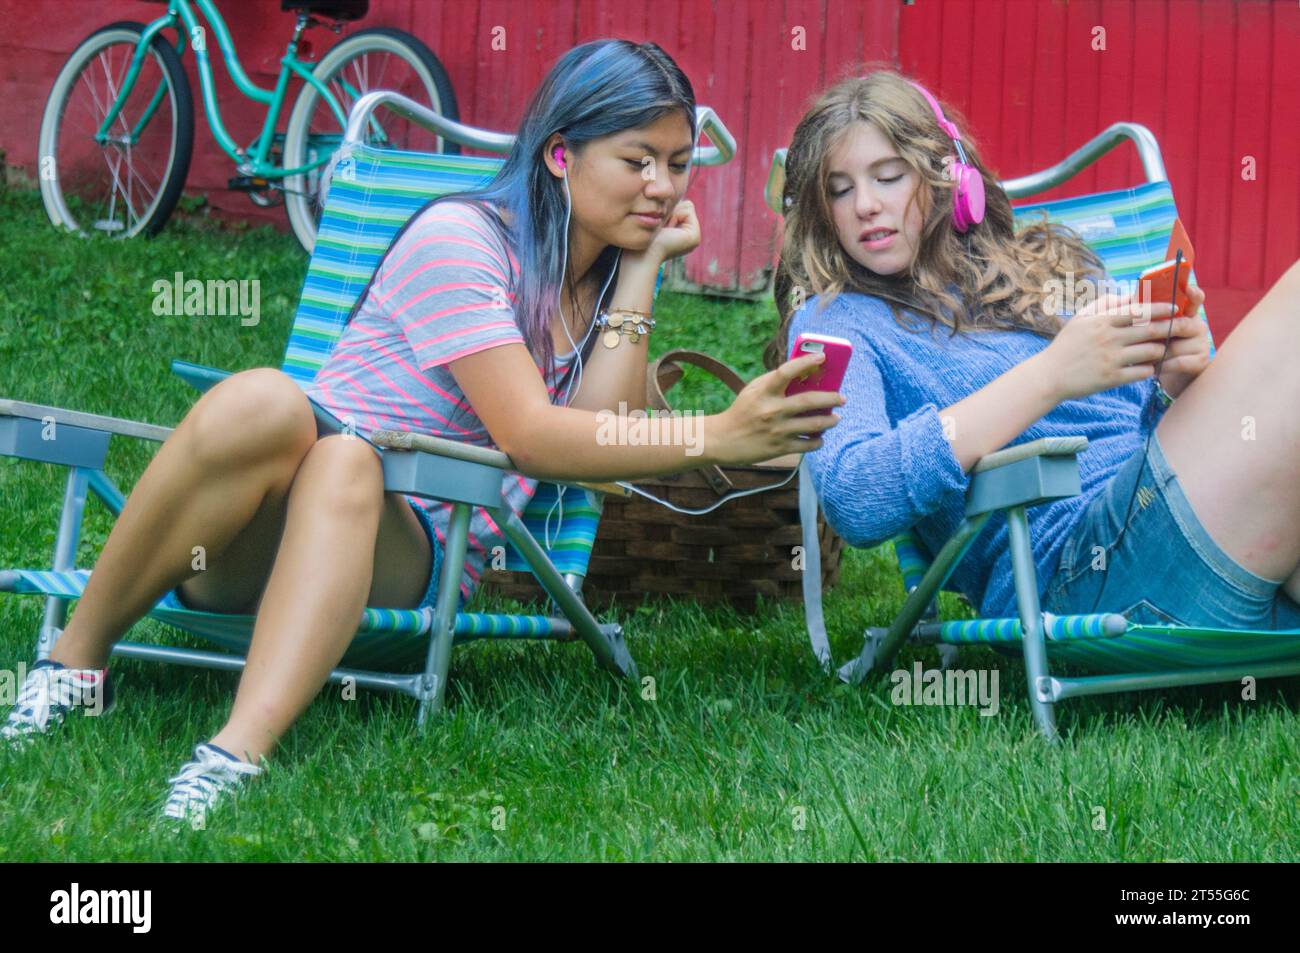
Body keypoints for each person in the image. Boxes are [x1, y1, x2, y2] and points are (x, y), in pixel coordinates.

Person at [1, 39, 843, 827]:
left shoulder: (597, 281)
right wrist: (720, 433)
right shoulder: (463, 240)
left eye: (676, 163)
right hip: (243, 559)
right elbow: (531, 435)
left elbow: (591, 443)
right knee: (268, 402)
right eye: (637, 161)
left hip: (402, 572)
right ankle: (73, 664)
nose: (664, 185)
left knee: (345, 461)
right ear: (560, 154)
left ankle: (233, 753)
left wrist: (642, 271)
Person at [767, 68, 1300, 645]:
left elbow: (1136, 436)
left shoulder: (1043, 266)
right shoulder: (835, 321)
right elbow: (857, 498)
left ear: (949, 177)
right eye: (840, 190)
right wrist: (1048, 377)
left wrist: (1171, 385)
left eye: (889, 177)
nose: (866, 205)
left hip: (1182, 530)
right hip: (1080, 570)